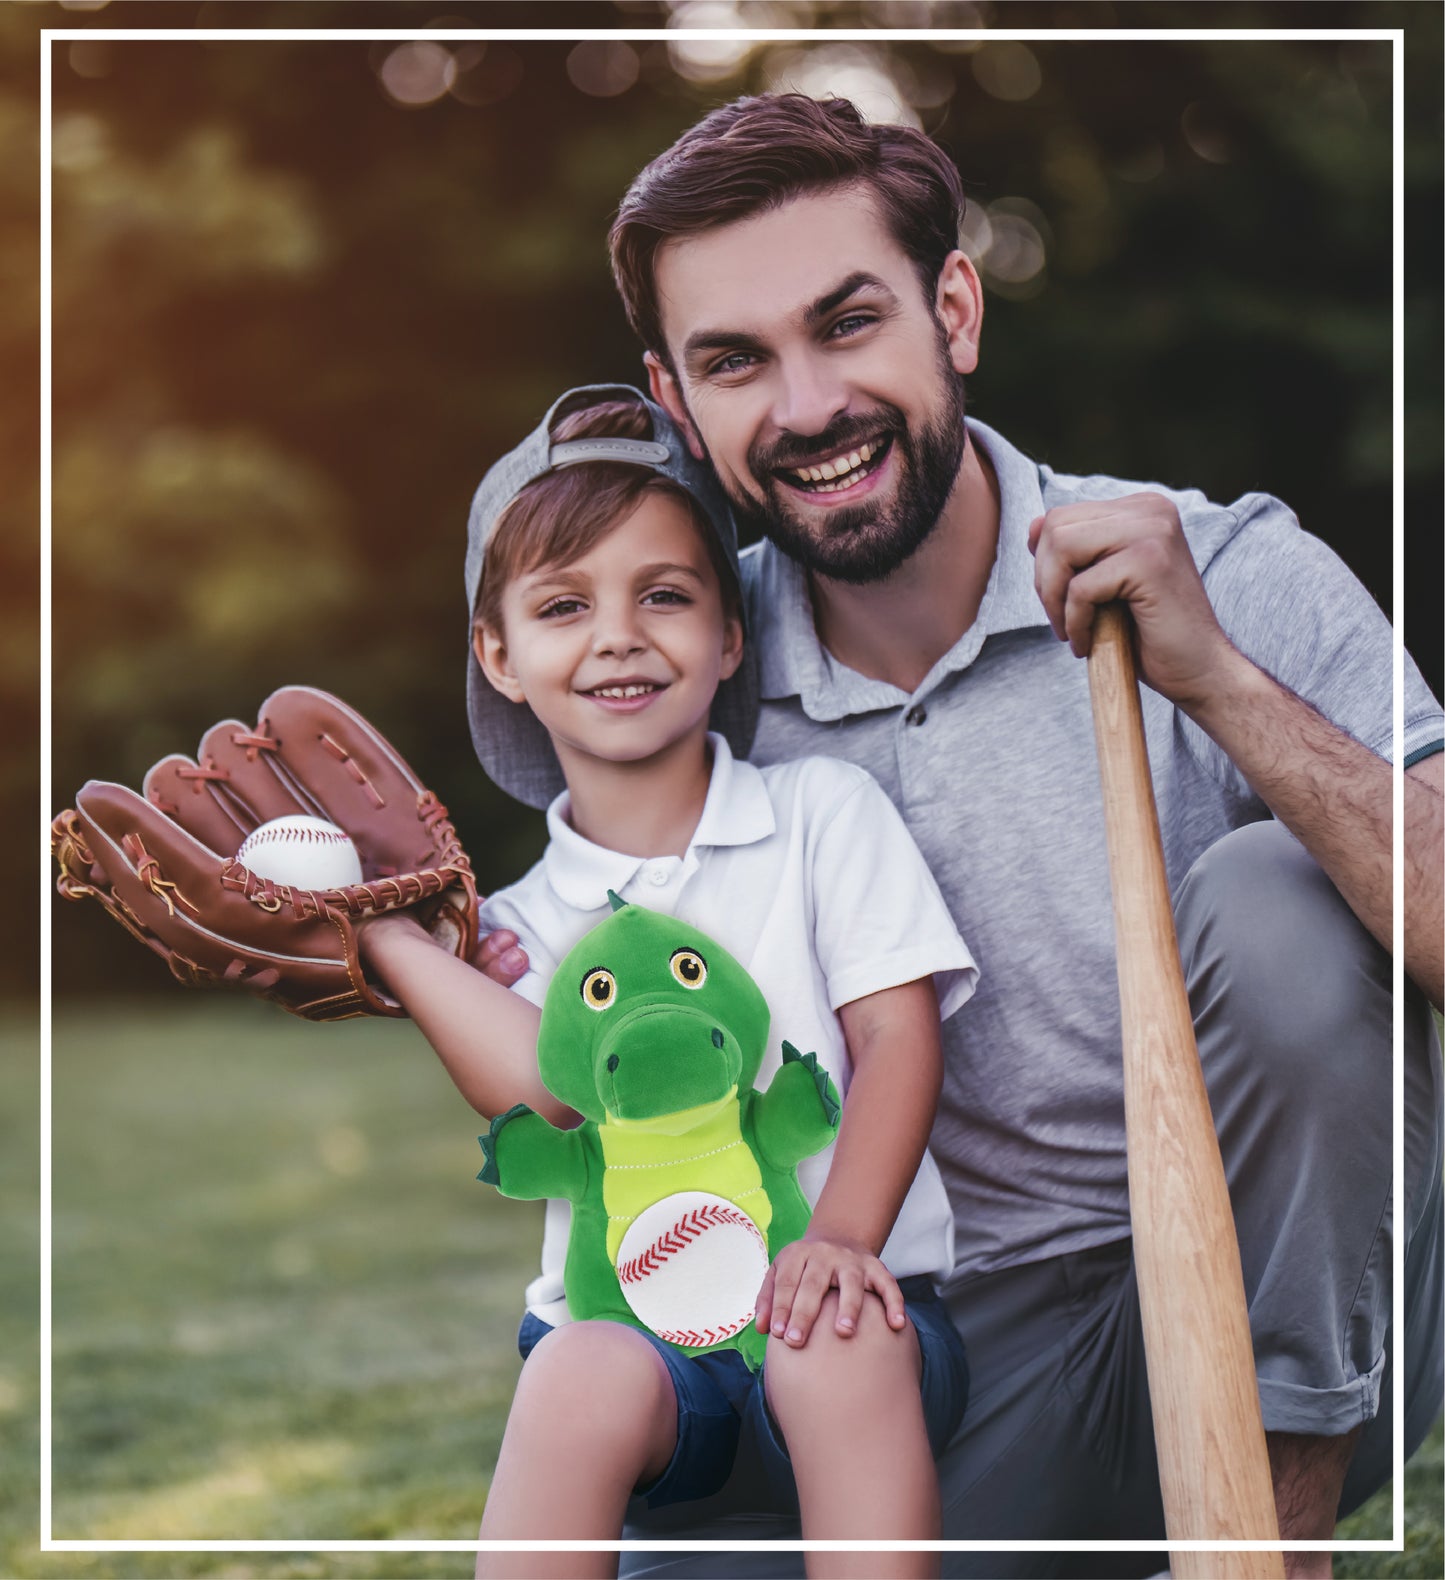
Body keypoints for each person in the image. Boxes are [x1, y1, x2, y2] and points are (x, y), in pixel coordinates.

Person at [477, 94, 1443, 1579]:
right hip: (926, 1349)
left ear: (954, 307)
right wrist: (376, 941)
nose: (804, 408)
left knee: (1276, 900)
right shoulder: (682, 662)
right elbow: (562, 974)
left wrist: (1220, 682)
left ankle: (1265, 1555)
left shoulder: (1224, 565)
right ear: (677, 402)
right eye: (737, 362)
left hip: (1287, 1302)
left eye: (846, 323)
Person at [362, 386, 978, 1580]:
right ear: (497, 653)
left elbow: (899, 1040)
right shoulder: (515, 925)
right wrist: (393, 941)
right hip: (655, 1372)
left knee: (831, 1335)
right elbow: (546, 1100)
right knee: (574, 1368)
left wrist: (839, 1238)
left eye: (664, 594)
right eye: (560, 605)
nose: (617, 635)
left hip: (861, 1320)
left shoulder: (818, 816)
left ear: (729, 632)